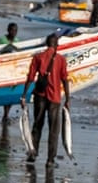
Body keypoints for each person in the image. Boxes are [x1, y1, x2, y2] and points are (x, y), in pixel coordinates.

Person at [25, 32, 71, 167]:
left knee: (37, 125)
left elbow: (30, 77)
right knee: (54, 130)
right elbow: (65, 79)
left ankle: (33, 153)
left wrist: (23, 95)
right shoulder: (61, 60)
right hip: (54, 97)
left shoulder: (38, 57)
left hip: (40, 95)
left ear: (46, 44)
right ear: (57, 45)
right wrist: (68, 99)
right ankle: (50, 160)